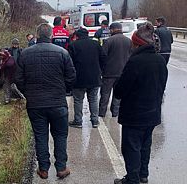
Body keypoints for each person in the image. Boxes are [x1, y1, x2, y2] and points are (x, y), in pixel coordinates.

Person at [15, 23, 76, 180]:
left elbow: (18, 79)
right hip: (58, 102)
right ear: (51, 35)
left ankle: (43, 169)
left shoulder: (25, 54)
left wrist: (28, 93)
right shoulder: (62, 53)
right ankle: (61, 168)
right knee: (60, 135)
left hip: (35, 104)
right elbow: (71, 77)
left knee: (40, 135)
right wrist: (63, 90)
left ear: (36, 35)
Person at [113, 22, 168, 184]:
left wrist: (117, 83)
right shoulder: (160, 61)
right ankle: (143, 174)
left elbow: (120, 91)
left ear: (137, 43)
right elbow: (161, 87)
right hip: (153, 113)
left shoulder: (135, 62)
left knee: (131, 148)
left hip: (134, 115)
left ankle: (132, 179)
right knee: (145, 146)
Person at [68, 28, 105, 128]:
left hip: (79, 77)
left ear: (77, 36)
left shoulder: (73, 45)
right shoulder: (96, 44)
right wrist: (100, 70)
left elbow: (69, 63)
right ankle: (95, 120)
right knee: (93, 99)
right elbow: (103, 58)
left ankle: (78, 121)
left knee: (78, 100)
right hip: (94, 77)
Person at [99, 22, 132, 118]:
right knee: (118, 95)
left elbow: (103, 56)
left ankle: (102, 113)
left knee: (105, 94)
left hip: (109, 72)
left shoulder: (108, 41)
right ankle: (115, 112)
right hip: (123, 72)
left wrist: (102, 69)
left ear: (112, 30)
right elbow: (131, 55)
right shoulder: (128, 41)